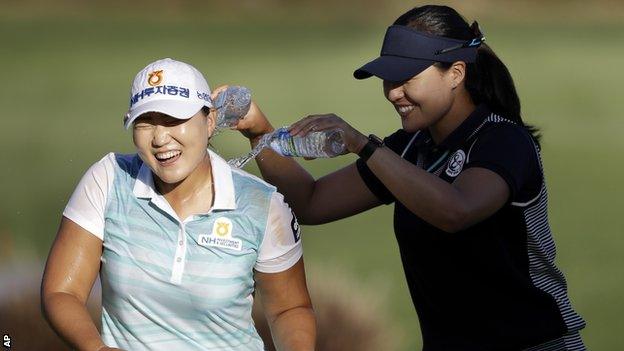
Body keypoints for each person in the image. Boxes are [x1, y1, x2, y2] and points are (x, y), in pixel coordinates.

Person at [228, 5, 586, 351]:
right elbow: (311, 202)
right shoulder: (410, 147)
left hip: (536, 344)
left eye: (406, 78)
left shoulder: (503, 140)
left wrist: (363, 145)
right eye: (388, 79)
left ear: (456, 73)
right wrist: (260, 132)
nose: (393, 92)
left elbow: (456, 211)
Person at [41, 58, 316, 351]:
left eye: (173, 120)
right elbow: (62, 291)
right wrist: (96, 348)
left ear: (209, 122)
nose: (160, 138)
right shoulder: (109, 179)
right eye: (145, 122)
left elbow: (290, 309)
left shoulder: (261, 203)